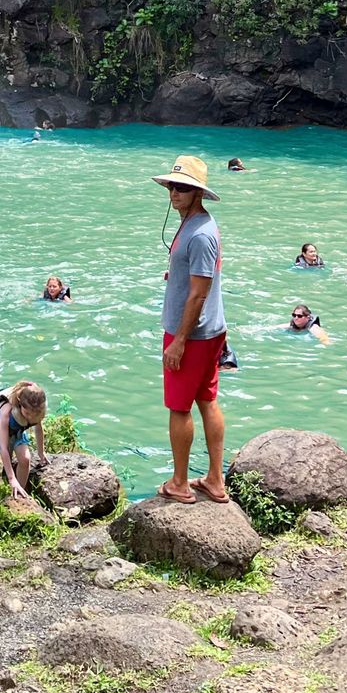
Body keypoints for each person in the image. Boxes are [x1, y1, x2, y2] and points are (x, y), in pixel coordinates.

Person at [154, 154, 228, 505]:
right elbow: (197, 281)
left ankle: (180, 483)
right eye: (172, 185)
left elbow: (199, 293)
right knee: (206, 399)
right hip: (209, 330)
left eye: (183, 187)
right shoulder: (196, 225)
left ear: (197, 193)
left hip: (192, 334)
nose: (174, 192)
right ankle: (215, 479)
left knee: (179, 407)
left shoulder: (199, 234)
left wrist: (179, 340)